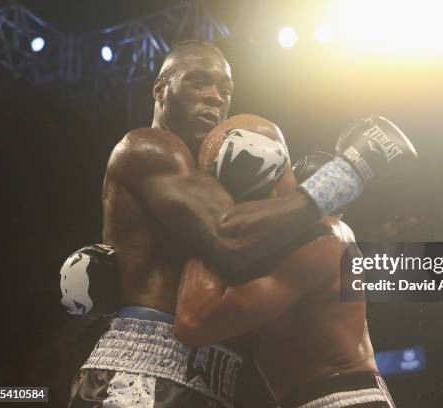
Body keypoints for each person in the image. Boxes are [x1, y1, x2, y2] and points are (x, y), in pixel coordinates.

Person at [65, 37, 417, 408]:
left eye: (225, 88)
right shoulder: (151, 147)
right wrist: (348, 174)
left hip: (216, 380)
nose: (215, 96)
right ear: (160, 89)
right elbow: (225, 233)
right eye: (198, 82)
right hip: (144, 369)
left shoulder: (211, 182)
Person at [173, 130, 396, 408]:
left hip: (342, 398)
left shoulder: (324, 239)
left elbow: (194, 324)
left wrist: (206, 228)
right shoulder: (283, 245)